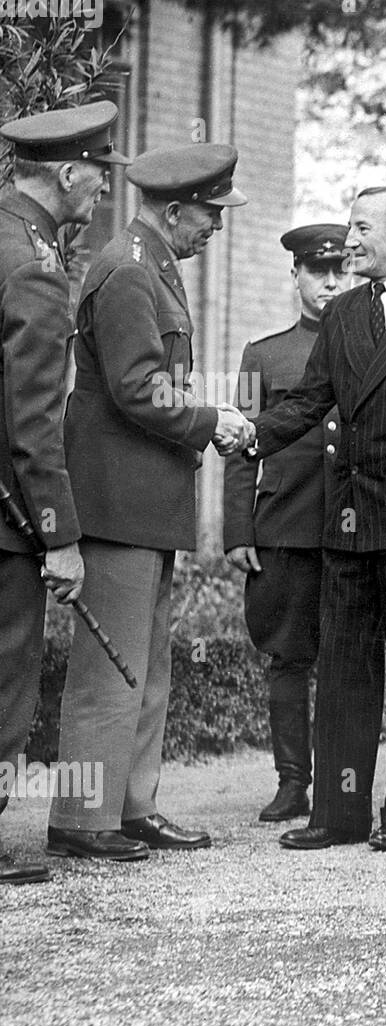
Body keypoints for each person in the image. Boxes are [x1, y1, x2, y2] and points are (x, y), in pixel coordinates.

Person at [244, 188, 386, 853]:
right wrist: (251, 436)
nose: (350, 238)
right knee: (343, 669)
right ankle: (338, 814)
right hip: (347, 519)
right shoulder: (344, 313)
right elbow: (311, 400)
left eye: (362, 226)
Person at [47, 143, 251, 861]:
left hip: (140, 502)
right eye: (210, 216)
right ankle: (83, 817)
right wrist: (212, 420)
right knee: (112, 665)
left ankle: (130, 805)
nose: (215, 228)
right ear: (173, 209)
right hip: (117, 503)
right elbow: (138, 387)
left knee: (145, 662)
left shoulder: (146, 260)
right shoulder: (132, 269)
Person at [0, 102, 129, 882]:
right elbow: (34, 421)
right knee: (7, 676)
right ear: (69, 171)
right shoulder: (35, 266)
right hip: (10, 521)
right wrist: (61, 535)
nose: (100, 195)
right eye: (96, 177)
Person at [223, 224, 347, 822]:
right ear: (294, 276)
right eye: (316, 272)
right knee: (288, 658)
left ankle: (341, 782)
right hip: (285, 527)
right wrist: (238, 532)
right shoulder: (263, 355)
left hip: (353, 529)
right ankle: (292, 781)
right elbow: (241, 446)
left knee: (349, 660)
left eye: (339, 271)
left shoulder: (370, 344)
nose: (329, 282)